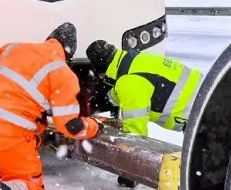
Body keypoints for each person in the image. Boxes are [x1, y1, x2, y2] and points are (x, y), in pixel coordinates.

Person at [0, 22, 105, 190]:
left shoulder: (11, 48)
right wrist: (95, 126)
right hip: (11, 136)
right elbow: (70, 126)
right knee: (29, 185)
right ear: (69, 52)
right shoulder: (62, 72)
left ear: (49, 39)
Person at [85, 40, 203, 188]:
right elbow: (129, 86)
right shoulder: (133, 59)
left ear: (100, 69)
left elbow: (136, 134)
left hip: (198, 116)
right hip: (208, 94)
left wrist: (129, 173)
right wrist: (106, 99)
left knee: (202, 172)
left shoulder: (127, 82)